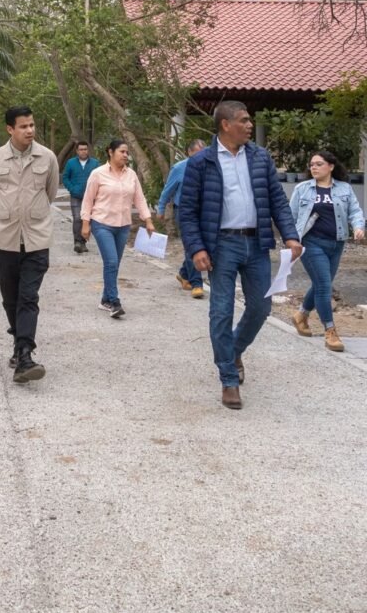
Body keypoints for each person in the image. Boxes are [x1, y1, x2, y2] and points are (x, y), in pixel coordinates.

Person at [179, 101, 302, 411]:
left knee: (261, 307)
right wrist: (196, 248)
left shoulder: (260, 158)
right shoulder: (201, 162)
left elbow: (277, 199)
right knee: (220, 311)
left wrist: (290, 234)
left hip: (257, 243)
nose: (250, 126)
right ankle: (228, 378)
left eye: (250, 121)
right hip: (221, 245)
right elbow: (188, 213)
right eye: (244, 120)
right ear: (225, 125)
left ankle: (232, 350)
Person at [0, 106, 59, 382]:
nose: (30, 130)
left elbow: (51, 192)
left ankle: (25, 354)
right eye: (24, 126)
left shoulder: (47, 157)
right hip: (7, 239)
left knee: (28, 297)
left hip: (37, 239)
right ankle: (19, 342)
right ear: (10, 129)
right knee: (10, 299)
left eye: (32, 125)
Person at [289, 149, 365, 352]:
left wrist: (358, 226)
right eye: (311, 164)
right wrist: (291, 241)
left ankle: (301, 315)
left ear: (330, 166)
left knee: (322, 284)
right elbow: (290, 216)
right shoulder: (303, 189)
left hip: (337, 243)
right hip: (311, 243)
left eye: (318, 164)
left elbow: (355, 211)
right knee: (324, 285)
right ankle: (330, 331)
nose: (313, 167)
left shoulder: (344, 189)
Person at [80, 139, 155, 318]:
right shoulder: (98, 174)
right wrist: (85, 224)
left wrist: (148, 220)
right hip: (102, 223)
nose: (125, 155)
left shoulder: (131, 175)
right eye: (122, 152)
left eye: (127, 152)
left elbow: (139, 199)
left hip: (123, 225)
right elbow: (88, 199)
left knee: (114, 264)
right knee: (112, 262)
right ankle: (114, 302)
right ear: (110, 152)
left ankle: (105, 299)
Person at [156, 138, 207, 298]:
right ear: (189, 152)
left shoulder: (209, 167)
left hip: (203, 211)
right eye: (197, 154)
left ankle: (184, 273)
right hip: (184, 211)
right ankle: (197, 284)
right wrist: (161, 208)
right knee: (191, 246)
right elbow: (167, 190)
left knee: (202, 245)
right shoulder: (179, 168)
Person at [62, 140, 100, 253]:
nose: (83, 151)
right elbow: (65, 178)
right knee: (77, 218)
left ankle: (83, 242)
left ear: (88, 150)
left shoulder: (95, 163)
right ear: (77, 151)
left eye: (85, 149)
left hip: (91, 197)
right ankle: (77, 242)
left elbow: (100, 178)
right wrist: (72, 189)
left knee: (87, 219)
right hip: (76, 196)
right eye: (81, 149)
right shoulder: (71, 163)